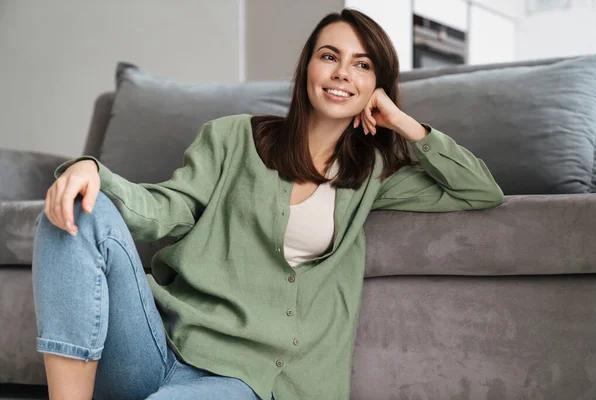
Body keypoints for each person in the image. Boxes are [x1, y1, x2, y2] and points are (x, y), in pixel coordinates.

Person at [32, 8, 504, 400]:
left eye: (362, 65)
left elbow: (480, 190)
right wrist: (93, 171)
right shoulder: (233, 137)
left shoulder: (371, 175)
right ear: (307, 69)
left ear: (376, 85)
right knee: (69, 208)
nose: (342, 72)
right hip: (157, 343)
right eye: (329, 56)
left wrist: (403, 122)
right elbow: (167, 206)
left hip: (242, 380)